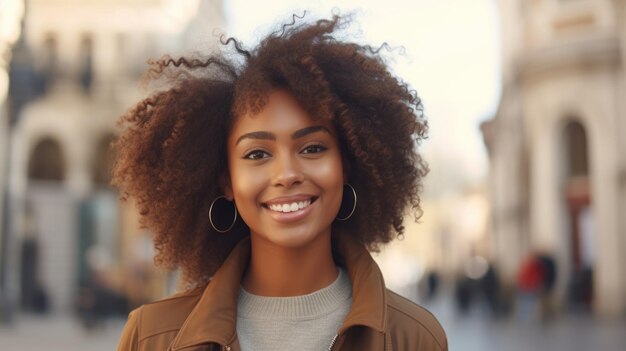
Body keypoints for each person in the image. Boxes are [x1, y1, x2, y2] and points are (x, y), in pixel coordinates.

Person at [115, 14, 447, 351]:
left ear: (346, 166)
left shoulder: (414, 338)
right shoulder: (152, 337)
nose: (287, 174)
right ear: (226, 180)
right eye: (257, 154)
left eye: (313, 148)